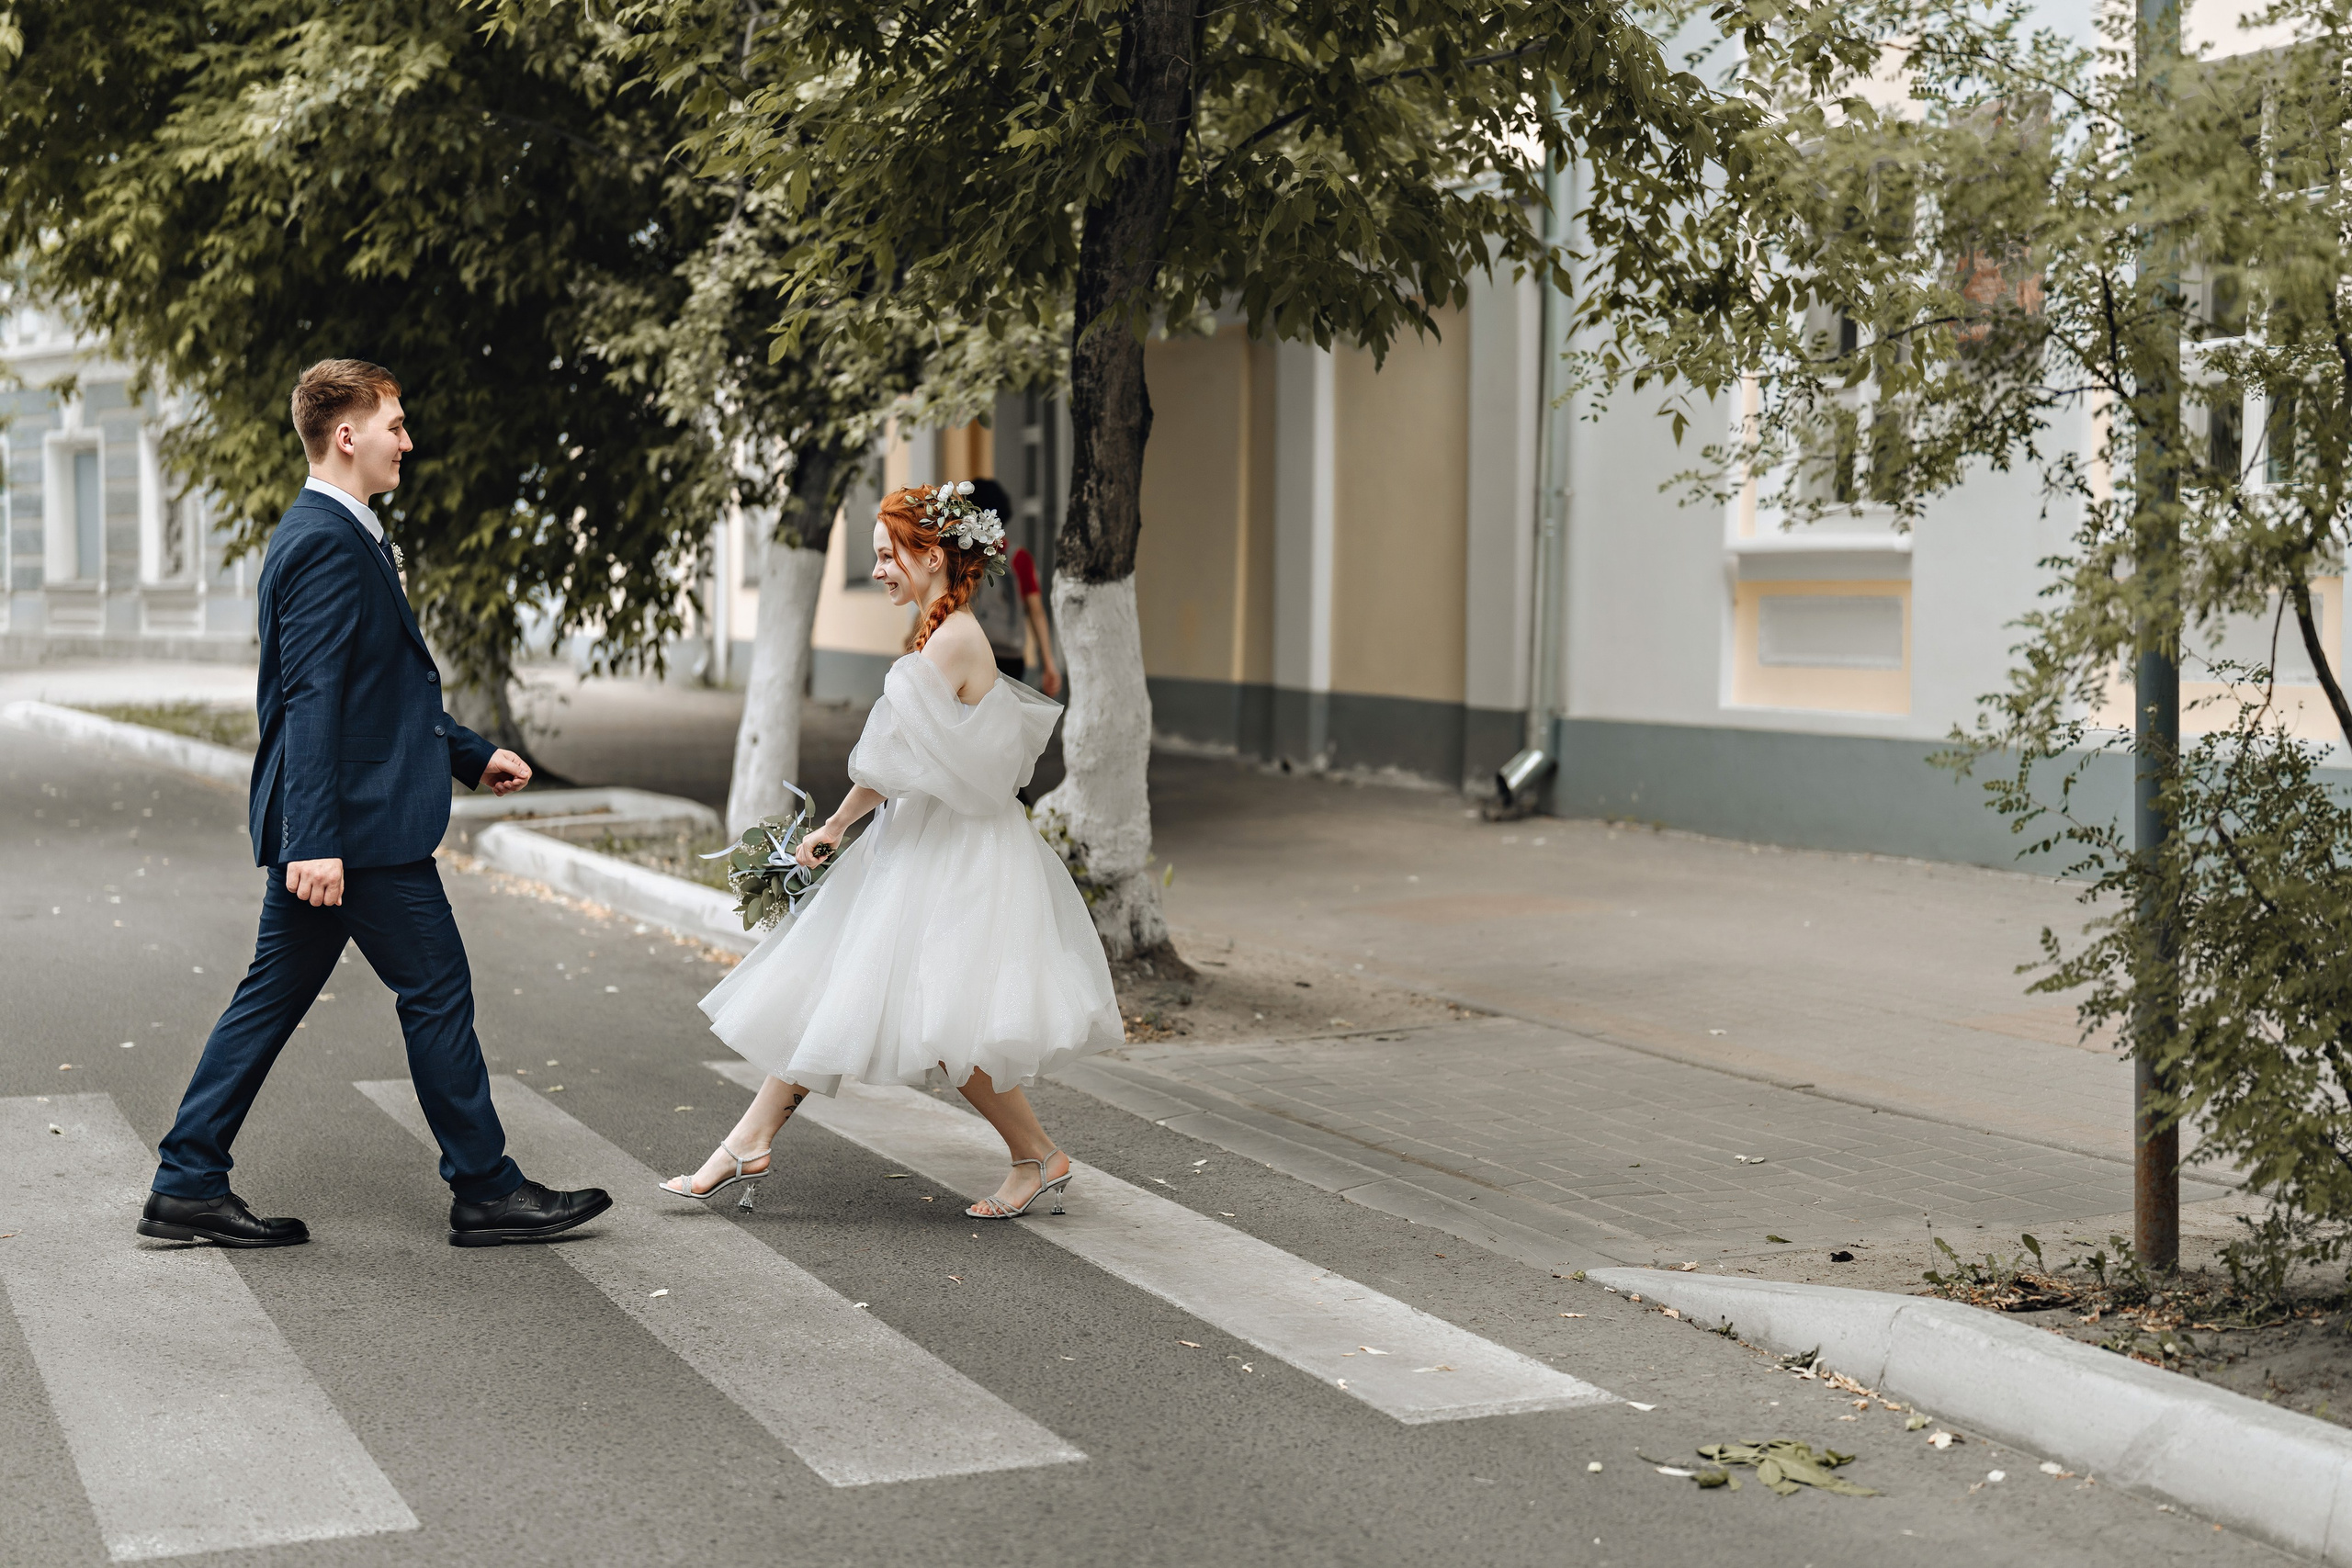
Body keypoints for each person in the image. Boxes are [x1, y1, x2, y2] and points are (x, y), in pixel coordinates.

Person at [140, 359, 612, 1249]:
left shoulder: (339, 529)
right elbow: (314, 695)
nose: (408, 439)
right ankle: (485, 1188)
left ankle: (188, 1179)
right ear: (347, 434)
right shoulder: (325, 537)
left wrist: (471, 754)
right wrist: (313, 840)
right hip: (352, 829)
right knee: (435, 991)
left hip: (340, 821)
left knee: (270, 998)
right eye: (395, 423)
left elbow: (376, 690)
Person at [665, 481, 1120, 1218]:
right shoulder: (942, 636)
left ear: (930, 554)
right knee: (835, 983)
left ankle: (1037, 1154)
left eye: (886, 555)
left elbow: (886, 758)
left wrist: (832, 828)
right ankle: (747, 1141)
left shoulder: (952, 641)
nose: (877, 569)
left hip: (956, 853)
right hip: (930, 838)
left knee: (947, 1020)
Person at [965, 477, 1060, 696]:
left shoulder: (964, 559)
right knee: (1003, 722)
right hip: (1011, 657)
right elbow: (1036, 611)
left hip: (972, 651)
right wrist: (1048, 662)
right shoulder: (1019, 558)